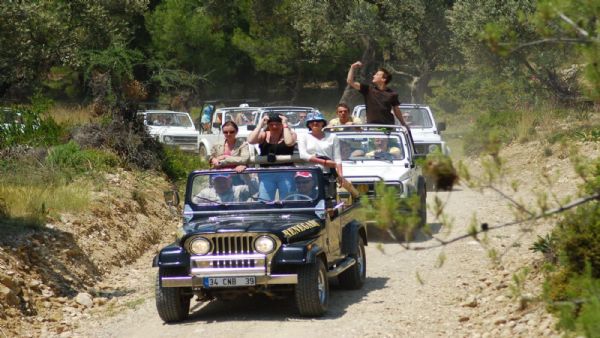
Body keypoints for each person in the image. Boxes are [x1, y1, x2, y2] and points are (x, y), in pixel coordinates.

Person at [247, 112, 297, 200]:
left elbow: (289, 142)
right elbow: (250, 140)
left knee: (287, 200)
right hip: (266, 172)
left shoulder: (291, 134)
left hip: (286, 172)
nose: (274, 127)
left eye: (278, 124)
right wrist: (260, 125)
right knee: (264, 200)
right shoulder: (264, 134)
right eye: (271, 124)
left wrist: (285, 124)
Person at [346, 61, 408, 127]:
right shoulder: (368, 89)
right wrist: (352, 67)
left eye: (377, 75)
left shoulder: (392, 94)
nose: (374, 76)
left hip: (388, 127)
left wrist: (403, 123)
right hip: (372, 127)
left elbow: (396, 110)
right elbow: (350, 81)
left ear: (383, 79)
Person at [298, 111, 343, 176]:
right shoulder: (303, 136)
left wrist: (340, 175)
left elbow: (337, 158)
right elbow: (303, 155)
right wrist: (324, 162)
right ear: (309, 124)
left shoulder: (333, 137)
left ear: (323, 123)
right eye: (312, 121)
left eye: (318, 121)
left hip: (328, 173)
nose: (315, 123)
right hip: (309, 174)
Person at [193, 173, 257, 203]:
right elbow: (193, 203)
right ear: (213, 182)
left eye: (224, 181)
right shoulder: (206, 193)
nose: (222, 184)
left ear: (230, 180)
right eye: (218, 181)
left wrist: (245, 175)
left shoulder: (239, 190)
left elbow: (255, 191)